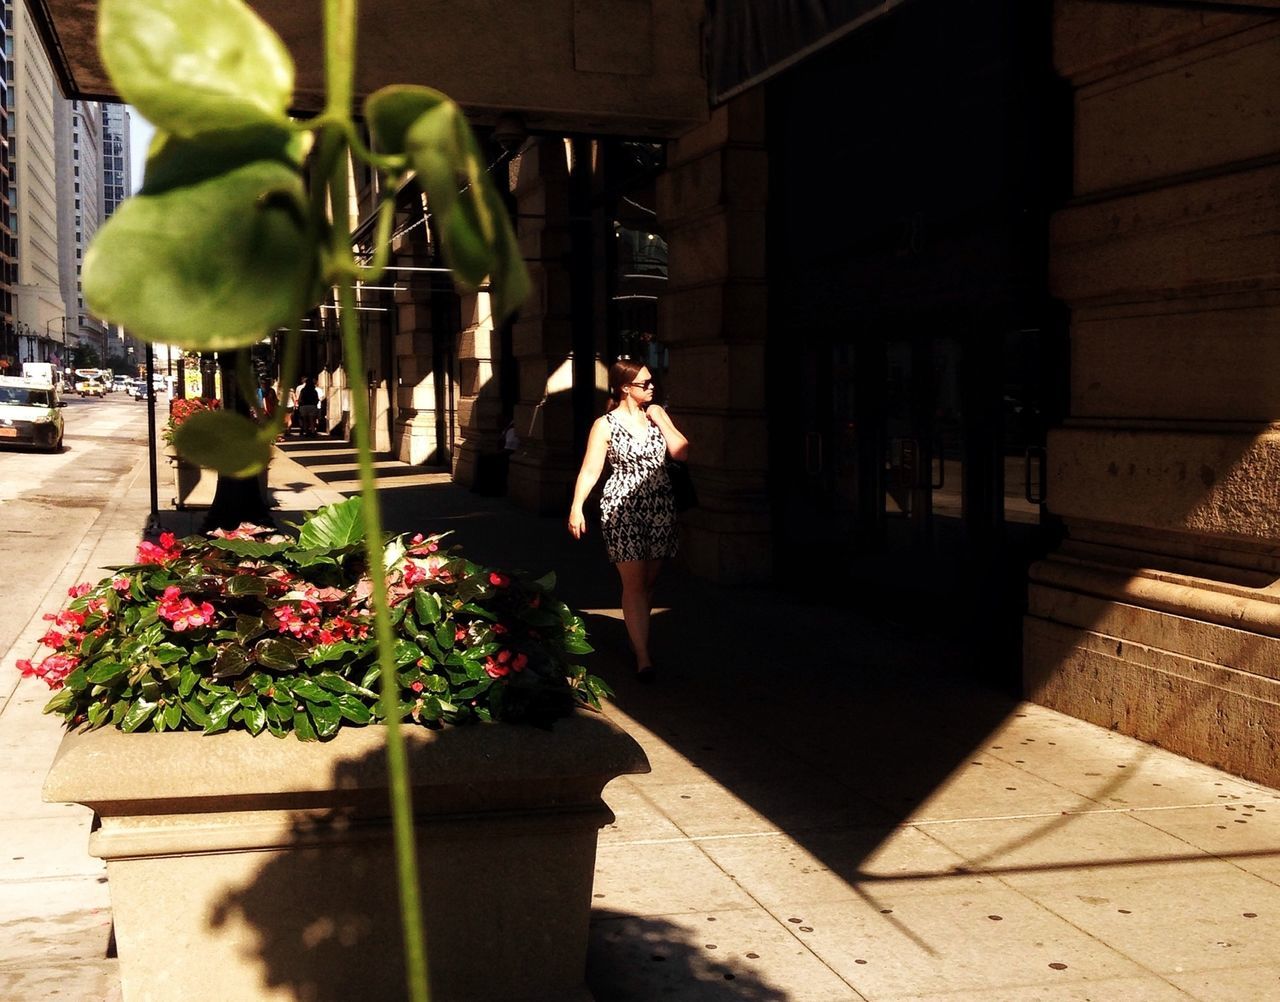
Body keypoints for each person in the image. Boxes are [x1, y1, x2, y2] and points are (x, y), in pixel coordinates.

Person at [568, 360, 689, 682]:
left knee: (648, 583)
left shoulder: (656, 416)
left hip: (661, 506)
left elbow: (681, 452)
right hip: (622, 509)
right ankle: (643, 657)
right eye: (645, 383)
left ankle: (639, 633)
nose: (652, 387)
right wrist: (577, 506)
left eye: (652, 382)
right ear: (625, 388)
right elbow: (591, 469)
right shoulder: (605, 424)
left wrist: (662, 418)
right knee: (634, 584)